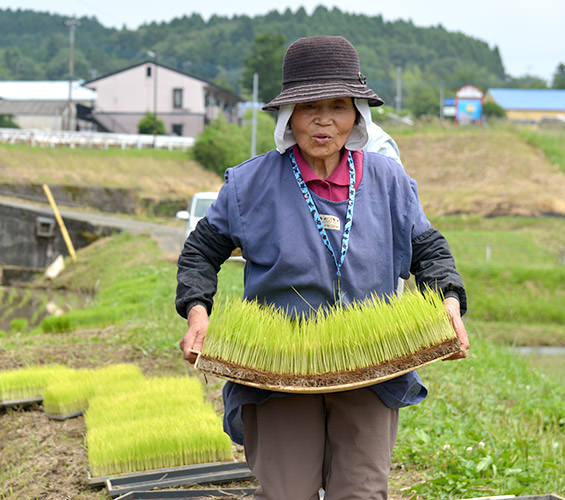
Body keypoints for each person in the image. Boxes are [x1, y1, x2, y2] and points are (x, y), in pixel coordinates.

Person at [175, 36, 469, 500]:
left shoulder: (389, 180)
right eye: (309, 105)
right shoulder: (250, 183)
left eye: (338, 105)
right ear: (289, 114)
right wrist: (197, 310)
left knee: (362, 492)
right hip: (278, 369)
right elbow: (201, 252)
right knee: (286, 493)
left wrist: (448, 302)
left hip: (374, 361)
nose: (323, 119)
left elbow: (428, 250)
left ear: (357, 114)